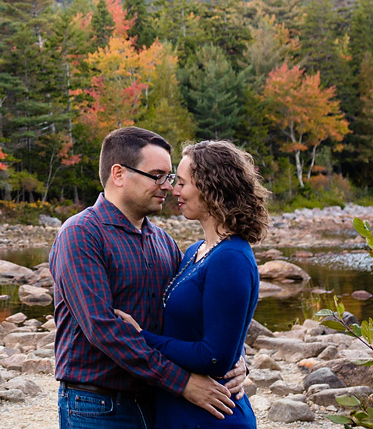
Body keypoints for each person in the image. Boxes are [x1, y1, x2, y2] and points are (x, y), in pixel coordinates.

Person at [50, 127, 246, 429]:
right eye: (158, 175)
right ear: (119, 174)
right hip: (98, 406)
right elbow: (103, 329)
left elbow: (197, 313)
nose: (168, 187)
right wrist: (183, 383)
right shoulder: (81, 233)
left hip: (158, 400)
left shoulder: (163, 241)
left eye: (171, 177)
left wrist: (236, 359)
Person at [115, 140, 268, 428]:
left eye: (182, 183)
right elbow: (216, 328)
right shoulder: (194, 251)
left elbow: (214, 357)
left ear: (211, 188)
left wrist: (141, 336)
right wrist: (237, 353)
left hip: (211, 415)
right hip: (181, 411)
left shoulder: (231, 257)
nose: (174, 191)